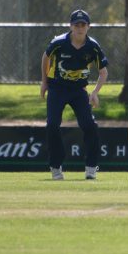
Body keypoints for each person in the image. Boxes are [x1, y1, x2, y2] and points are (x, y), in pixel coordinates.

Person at [40, 9, 108, 180]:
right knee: (52, 124)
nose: (80, 28)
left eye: (83, 25)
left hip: (79, 90)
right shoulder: (59, 42)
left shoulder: (93, 46)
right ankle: (56, 167)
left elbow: (103, 72)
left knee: (89, 125)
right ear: (70, 26)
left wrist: (95, 92)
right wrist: (44, 82)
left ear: (88, 27)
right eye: (76, 25)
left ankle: (91, 168)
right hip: (57, 88)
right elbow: (45, 57)